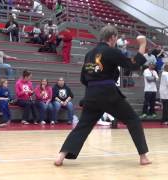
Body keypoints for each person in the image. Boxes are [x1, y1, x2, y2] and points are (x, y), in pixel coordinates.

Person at [54, 25, 151, 166]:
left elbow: (83, 79)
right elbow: (133, 65)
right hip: (108, 93)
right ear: (112, 37)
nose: (116, 40)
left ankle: (61, 156)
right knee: (133, 120)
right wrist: (142, 45)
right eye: (116, 38)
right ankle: (143, 157)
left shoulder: (89, 54)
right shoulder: (111, 51)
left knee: (83, 126)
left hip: (91, 95)